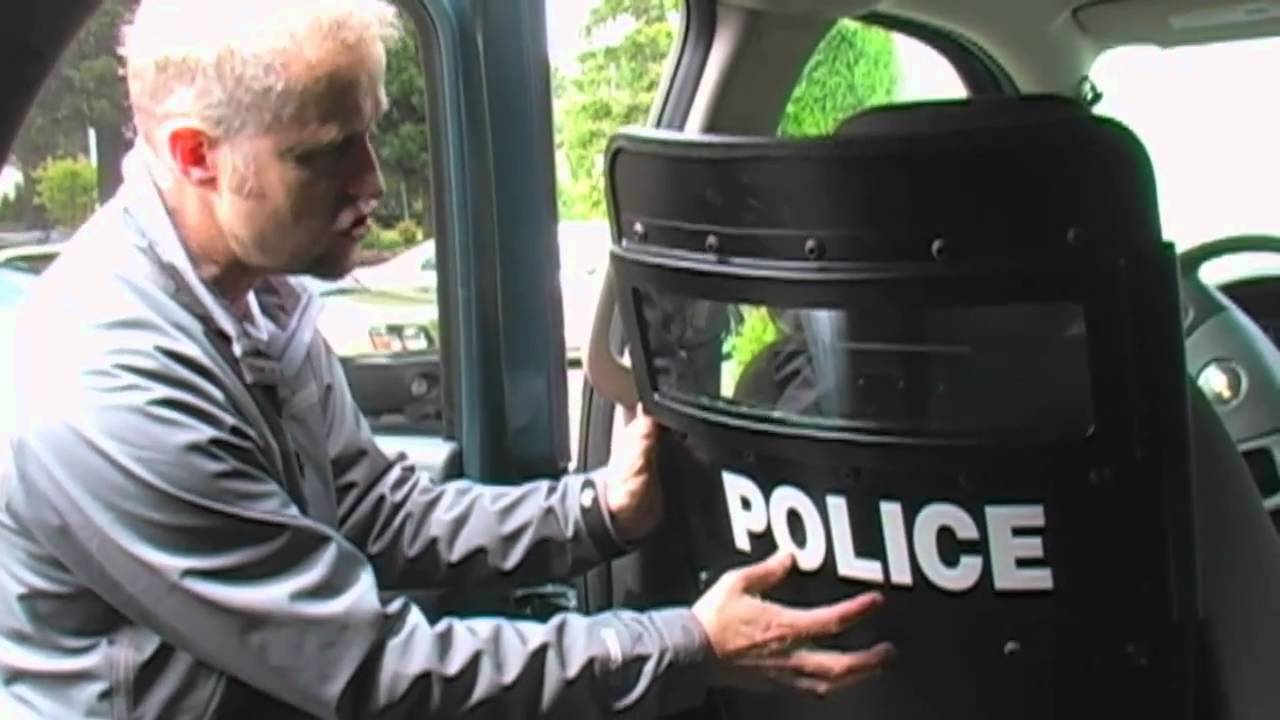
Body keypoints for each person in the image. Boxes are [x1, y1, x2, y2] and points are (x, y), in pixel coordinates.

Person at [0, 1, 894, 718]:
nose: (372, 184)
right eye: (325, 153)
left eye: (370, 133)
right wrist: (692, 646)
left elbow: (373, 510)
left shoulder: (258, 297)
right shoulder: (105, 386)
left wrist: (595, 510)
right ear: (196, 155)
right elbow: (365, 668)